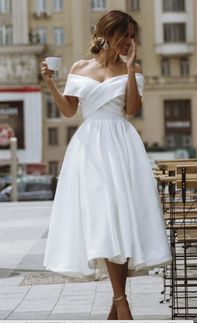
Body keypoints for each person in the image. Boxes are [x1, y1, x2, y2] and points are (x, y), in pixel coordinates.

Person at [42, 10, 172, 320]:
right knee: (104, 219)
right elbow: (69, 111)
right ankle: (121, 304)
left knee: (119, 221)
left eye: (132, 36)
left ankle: (118, 307)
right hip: (89, 149)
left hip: (121, 145)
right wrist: (50, 83)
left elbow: (131, 109)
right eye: (124, 34)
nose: (129, 41)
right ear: (106, 32)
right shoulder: (79, 67)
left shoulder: (134, 68)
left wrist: (128, 70)